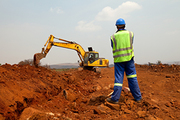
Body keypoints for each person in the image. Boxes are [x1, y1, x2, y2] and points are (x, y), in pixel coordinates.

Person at [106, 18, 142, 104]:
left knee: (118, 80)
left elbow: (113, 46)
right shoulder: (130, 34)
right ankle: (138, 98)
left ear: (116, 26)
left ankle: (115, 99)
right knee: (132, 78)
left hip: (119, 61)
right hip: (129, 59)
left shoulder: (113, 36)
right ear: (125, 25)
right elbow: (131, 43)